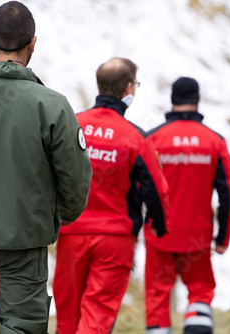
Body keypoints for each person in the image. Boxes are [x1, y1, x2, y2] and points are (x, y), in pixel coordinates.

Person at [0, 1, 92, 333]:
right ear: (33, 44)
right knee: (23, 326)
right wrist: (61, 215)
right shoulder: (53, 105)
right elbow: (75, 177)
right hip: (26, 241)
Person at [53, 57, 170, 334]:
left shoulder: (72, 124)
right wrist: (160, 224)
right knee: (97, 315)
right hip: (114, 240)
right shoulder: (135, 137)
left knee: (67, 316)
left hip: (71, 233)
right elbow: (156, 189)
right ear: (128, 88)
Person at [144, 77, 230, 334]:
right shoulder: (215, 142)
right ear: (197, 100)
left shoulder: (153, 139)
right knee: (200, 291)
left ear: (172, 100)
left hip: (158, 234)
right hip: (197, 236)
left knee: (157, 296)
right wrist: (222, 238)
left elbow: (141, 188)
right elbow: (226, 194)